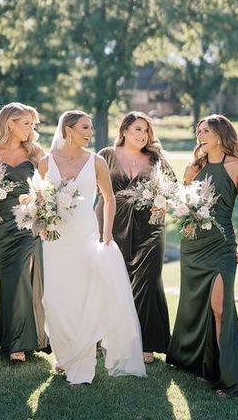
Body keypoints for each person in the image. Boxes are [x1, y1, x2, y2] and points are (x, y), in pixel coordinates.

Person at [38, 110, 147, 384]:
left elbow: (109, 199)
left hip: (85, 235)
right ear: (68, 129)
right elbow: (37, 200)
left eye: (90, 127)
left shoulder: (96, 161)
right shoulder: (45, 162)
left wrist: (107, 232)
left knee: (82, 297)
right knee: (55, 299)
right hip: (55, 240)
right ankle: (64, 354)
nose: (90, 132)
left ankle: (81, 359)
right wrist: (40, 223)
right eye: (85, 127)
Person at [166, 114, 238, 393]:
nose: (200, 135)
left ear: (220, 134)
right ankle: (199, 364)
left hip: (222, 247)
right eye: (198, 130)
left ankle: (229, 377)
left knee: (219, 308)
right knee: (195, 306)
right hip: (193, 247)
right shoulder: (193, 169)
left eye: (206, 130)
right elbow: (182, 207)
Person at [97, 111, 174, 364]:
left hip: (149, 227)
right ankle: (108, 336)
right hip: (111, 223)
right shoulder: (106, 155)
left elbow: (173, 189)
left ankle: (145, 342)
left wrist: (163, 204)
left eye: (147, 131)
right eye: (138, 129)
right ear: (125, 130)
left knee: (147, 281)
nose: (143, 135)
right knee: (112, 280)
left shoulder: (156, 158)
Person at [0, 103, 47, 362]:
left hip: (27, 222)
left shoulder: (34, 152)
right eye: (26, 123)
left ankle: (18, 343)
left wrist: (42, 211)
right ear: (10, 123)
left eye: (33, 124)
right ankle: (8, 337)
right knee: (10, 278)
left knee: (20, 273)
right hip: (0, 223)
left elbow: (46, 187)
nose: (31, 129)